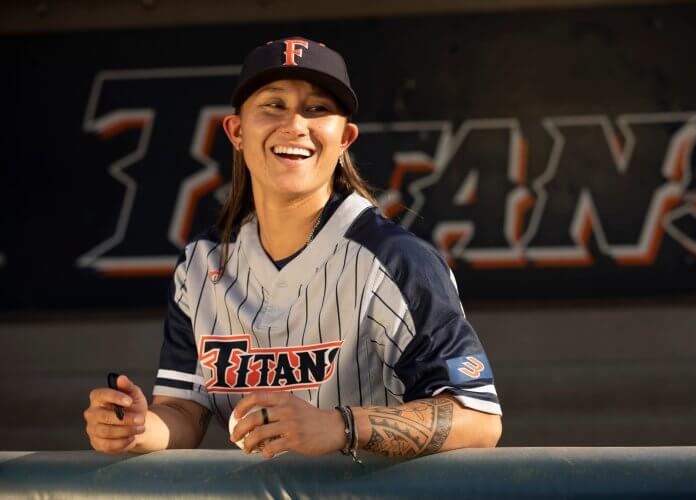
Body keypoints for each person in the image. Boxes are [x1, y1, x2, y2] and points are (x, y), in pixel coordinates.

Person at [84, 36, 502, 459]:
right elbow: (182, 411)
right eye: (273, 105)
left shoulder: (397, 260)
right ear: (236, 131)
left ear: (345, 137)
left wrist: (342, 426)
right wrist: (137, 429)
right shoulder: (200, 263)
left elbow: (478, 419)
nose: (296, 125)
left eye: (317, 109)